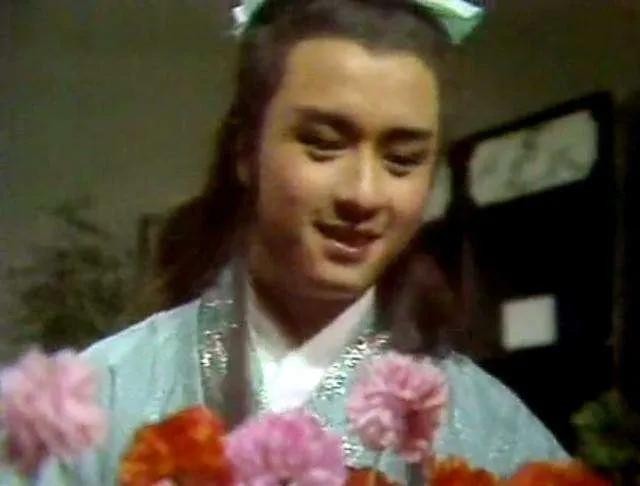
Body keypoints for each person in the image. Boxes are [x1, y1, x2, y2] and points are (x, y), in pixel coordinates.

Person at [3, 0, 566, 484]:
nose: (363, 194)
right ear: (246, 151)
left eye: (402, 160)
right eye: (323, 144)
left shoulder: (495, 433)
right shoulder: (100, 399)